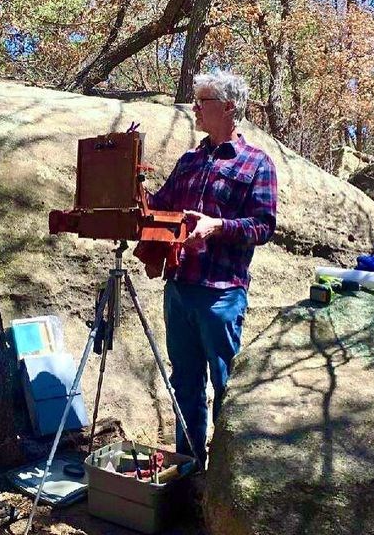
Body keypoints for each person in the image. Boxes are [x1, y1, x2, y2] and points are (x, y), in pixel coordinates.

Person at [144, 69, 277, 466]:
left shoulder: (256, 164)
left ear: (230, 108)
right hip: (180, 288)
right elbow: (160, 205)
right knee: (185, 383)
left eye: (203, 101)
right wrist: (131, 188)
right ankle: (189, 468)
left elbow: (264, 226)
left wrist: (217, 226)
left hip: (221, 294)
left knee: (225, 386)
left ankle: (224, 477)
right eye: (196, 100)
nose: (195, 108)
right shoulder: (190, 159)